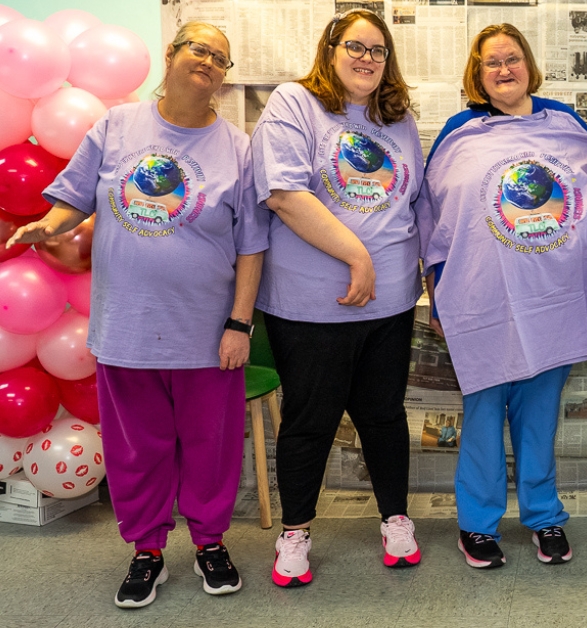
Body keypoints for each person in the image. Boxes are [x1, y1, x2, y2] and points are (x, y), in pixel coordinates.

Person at [8, 22, 266, 608]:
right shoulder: (116, 127)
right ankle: (146, 550)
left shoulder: (239, 148)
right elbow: (73, 197)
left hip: (207, 334)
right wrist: (47, 227)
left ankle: (210, 543)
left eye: (220, 58)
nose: (208, 61)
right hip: (125, 327)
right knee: (136, 449)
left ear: (224, 79)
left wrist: (239, 324)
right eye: (199, 48)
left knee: (211, 447)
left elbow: (252, 244)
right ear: (172, 56)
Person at [417, 23, 587, 570]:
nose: (504, 69)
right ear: (478, 74)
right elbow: (435, 219)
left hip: (551, 300)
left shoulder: (564, 121)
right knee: (484, 414)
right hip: (480, 302)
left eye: (512, 58)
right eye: (492, 62)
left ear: (528, 64)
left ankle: (543, 517)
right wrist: (437, 296)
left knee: (539, 418)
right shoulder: (459, 130)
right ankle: (478, 526)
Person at [250, 8, 423, 587]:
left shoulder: (396, 119)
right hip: (309, 306)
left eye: (378, 50)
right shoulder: (295, 103)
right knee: (310, 421)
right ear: (330, 50)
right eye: (355, 46)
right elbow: (283, 193)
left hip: (391, 306)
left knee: (382, 416)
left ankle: (395, 519)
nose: (367, 58)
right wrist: (358, 256)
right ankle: (295, 531)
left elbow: (414, 202)